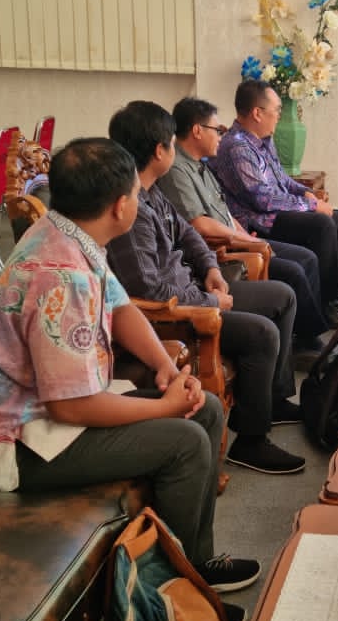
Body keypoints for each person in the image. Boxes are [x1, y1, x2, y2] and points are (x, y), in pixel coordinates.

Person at [0, 137, 258, 621]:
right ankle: (171, 606)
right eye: (137, 194)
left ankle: (195, 566)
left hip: (52, 417)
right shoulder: (59, 274)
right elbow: (71, 406)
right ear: (120, 206)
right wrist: (163, 406)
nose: (140, 201)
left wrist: (164, 367)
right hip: (15, 441)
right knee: (183, 440)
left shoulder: (68, 232)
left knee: (208, 410)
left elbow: (119, 306)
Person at [105, 101, 307, 477]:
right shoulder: (130, 209)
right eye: (171, 142)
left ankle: (272, 399)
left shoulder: (149, 190)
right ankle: (251, 440)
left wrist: (211, 269)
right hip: (179, 316)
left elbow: (187, 233)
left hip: (196, 290)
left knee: (281, 296)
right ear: (159, 151)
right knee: (261, 333)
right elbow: (149, 290)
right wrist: (211, 300)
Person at [159, 96, 333, 346]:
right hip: (220, 249)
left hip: (238, 238)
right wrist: (243, 240)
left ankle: (312, 328)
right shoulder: (177, 171)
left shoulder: (201, 165)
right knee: (294, 270)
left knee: (307, 257)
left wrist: (244, 235)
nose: (221, 136)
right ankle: (308, 340)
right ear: (197, 131)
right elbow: (199, 224)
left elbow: (224, 211)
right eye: (216, 130)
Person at [211, 80, 338, 322]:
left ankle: (330, 299)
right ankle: (323, 308)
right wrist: (312, 206)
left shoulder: (263, 139)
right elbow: (262, 200)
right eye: (276, 110)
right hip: (257, 221)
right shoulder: (236, 147)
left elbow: (282, 179)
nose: (279, 115)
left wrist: (305, 193)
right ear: (257, 113)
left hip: (275, 212)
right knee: (322, 224)